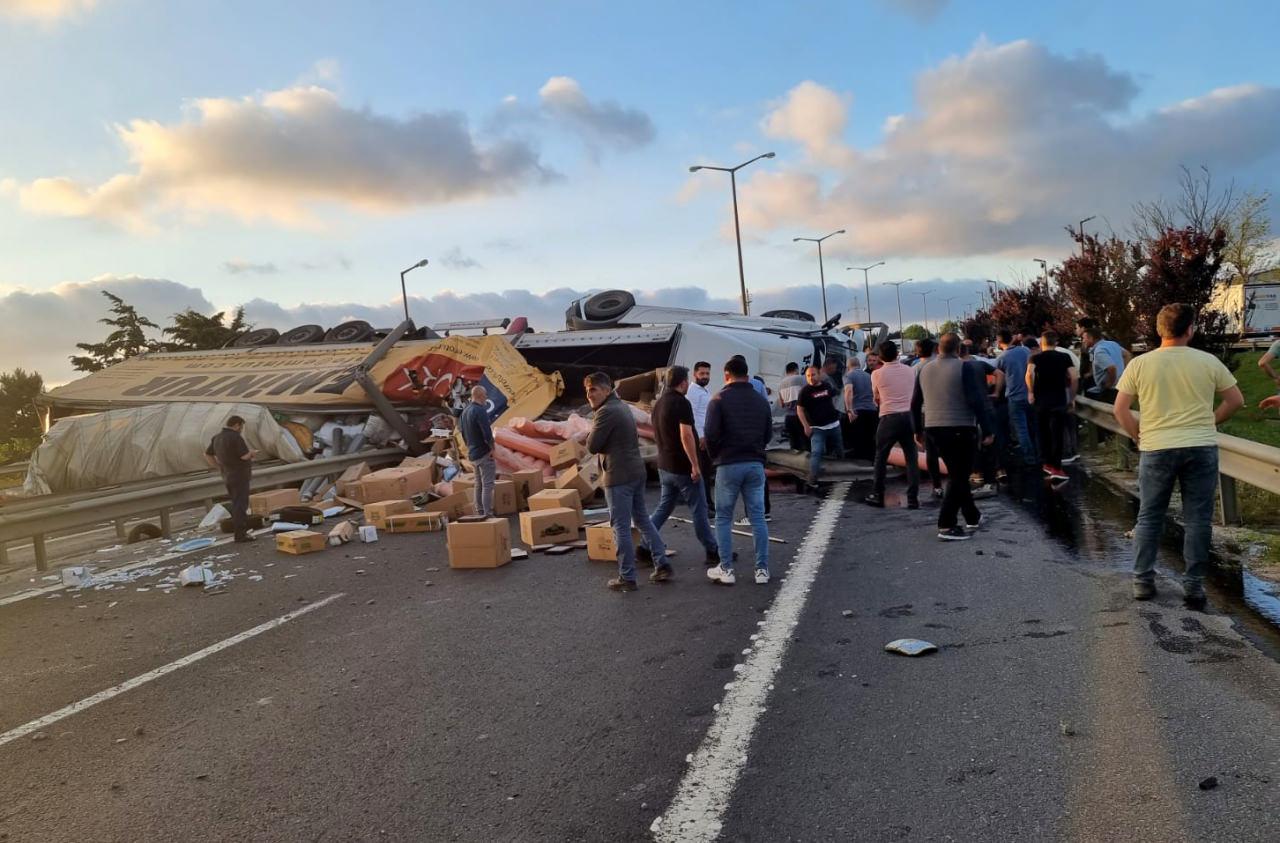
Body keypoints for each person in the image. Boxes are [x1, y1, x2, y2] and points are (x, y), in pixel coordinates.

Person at [1113, 304, 1244, 609]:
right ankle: (1194, 586)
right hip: (1200, 447)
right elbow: (1235, 400)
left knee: (1149, 516)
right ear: (1190, 330)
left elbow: (1120, 409)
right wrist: (1210, 421)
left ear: (1160, 330)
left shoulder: (1140, 365)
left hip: (1157, 447)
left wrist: (1136, 433)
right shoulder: (1207, 361)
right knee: (1198, 519)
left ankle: (1142, 581)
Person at [584, 372, 669, 591]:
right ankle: (662, 562)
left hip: (618, 475)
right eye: (587, 390)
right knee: (642, 519)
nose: (589, 395)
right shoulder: (621, 406)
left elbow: (592, 446)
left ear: (606, 389)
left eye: (593, 389)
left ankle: (627, 576)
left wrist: (595, 435)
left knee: (620, 526)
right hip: (634, 470)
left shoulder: (605, 412)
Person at [912, 333, 993, 540]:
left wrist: (917, 430)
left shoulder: (924, 369)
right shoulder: (966, 367)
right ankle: (946, 525)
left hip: (932, 427)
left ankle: (972, 515)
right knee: (959, 476)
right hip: (960, 426)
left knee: (958, 473)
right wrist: (988, 429)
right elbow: (977, 401)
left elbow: (914, 403)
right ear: (958, 349)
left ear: (939, 349)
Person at [705, 356, 773, 586]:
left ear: (726, 374)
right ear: (747, 374)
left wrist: (716, 456)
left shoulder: (719, 399)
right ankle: (762, 570)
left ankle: (726, 569)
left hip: (728, 463)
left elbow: (711, 434)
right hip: (755, 463)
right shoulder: (760, 400)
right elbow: (768, 434)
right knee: (758, 518)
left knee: (723, 517)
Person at [650, 366, 720, 565]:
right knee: (699, 508)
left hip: (664, 464)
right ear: (682, 383)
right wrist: (695, 465)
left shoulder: (659, 403)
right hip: (682, 467)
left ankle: (645, 545)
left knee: (664, 507)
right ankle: (712, 550)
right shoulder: (681, 403)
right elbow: (686, 435)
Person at [864, 340, 920, 509]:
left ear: (880, 357)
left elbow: (876, 397)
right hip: (908, 416)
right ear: (897, 354)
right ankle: (912, 498)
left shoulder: (877, 374)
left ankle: (877, 492)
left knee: (881, 456)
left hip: (889, 417)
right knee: (912, 457)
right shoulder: (910, 370)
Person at [1026, 331, 1076, 482]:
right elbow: (1073, 377)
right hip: (1059, 400)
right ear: (1056, 342)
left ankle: (1046, 462)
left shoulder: (1035, 357)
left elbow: (1029, 374)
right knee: (1057, 434)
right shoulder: (1064, 357)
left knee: (1042, 432)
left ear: (1042, 343)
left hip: (1041, 400)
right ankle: (1057, 467)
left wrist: (1031, 392)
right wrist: (1072, 397)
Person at [204, 415, 259, 542]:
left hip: (227, 475)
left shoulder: (216, 437)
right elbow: (244, 456)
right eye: (241, 427)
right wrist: (252, 453)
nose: (241, 429)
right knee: (241, 505)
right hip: (240, 475)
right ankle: (240, 534)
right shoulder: (235, 437)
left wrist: (219, 467)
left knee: (235, 503)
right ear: (237, 425)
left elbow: (207, 454)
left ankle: (239, 532)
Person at [960, 343, 998, 497]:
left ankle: (981, 477)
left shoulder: (962, 368)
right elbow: (1000, 373)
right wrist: (996, 392)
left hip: (972, 411)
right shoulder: (980, 364)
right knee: (989, 444)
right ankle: (990, 479)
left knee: (975, 444)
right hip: (987, 407)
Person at [797, 365, 844, 491]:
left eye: (813, 375)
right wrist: (806, 426)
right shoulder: (805, 391)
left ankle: (843, 474)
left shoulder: (827, 386)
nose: (811, 378)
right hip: (817, 428)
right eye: (808, 376)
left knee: (839, 449)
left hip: (834, 425)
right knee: (817, 452)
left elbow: (836, 398)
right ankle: (812, 479)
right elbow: (800, 410)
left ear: (819, 375)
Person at [995, 329, 1037, 466]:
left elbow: (999, 378)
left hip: (1014, 397)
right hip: (1030, 394)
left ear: (999, 342)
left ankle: (1029, 458)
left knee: (1021, 430)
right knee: (1034, 427)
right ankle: (1039, 454)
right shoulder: (1025, 351)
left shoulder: (1001, 358)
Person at [458, 385, 496, 517]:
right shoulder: (480, 410)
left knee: (478, 484)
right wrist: (492, 448)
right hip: (483, 452)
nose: (486, 397)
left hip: (473, 454)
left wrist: (470, 447)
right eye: (485, 395)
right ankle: (488, 514)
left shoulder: (465, 412)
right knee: (487, 485)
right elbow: (487, 432)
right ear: (480, 395)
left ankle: (479, 512)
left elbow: (462, 433)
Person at [689, 361, 715, 511]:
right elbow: (692, 416)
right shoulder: (693, 392)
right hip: (700, 439)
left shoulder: (704, 391)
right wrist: (700, 437)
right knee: (703, 472)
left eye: (707, 373)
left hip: (706, 436)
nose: (705, 376)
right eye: (702, 373)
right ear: (695, 374)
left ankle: (708, 503)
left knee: (706, 472)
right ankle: (706, 505)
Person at [843, 356, 879, 461]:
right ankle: (872, 462)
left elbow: (849, 391)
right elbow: (876, 393)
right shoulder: (869, 375)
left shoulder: (848, 376)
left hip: (858, 410)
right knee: (870, 438)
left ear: (848, 366)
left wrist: (849, 410)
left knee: (859, 438)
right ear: (859, 365)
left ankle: (861, 464)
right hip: (872, 410)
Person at [1081, 327, 1126, 402]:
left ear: (1091, 338)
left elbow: (1111, 368)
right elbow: (1127, 355)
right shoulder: (1112, 344)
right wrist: (1124, 371)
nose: (1083, 341)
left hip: (1111, 391)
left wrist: (1109, 385)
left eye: (1084, 338)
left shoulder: (1099, 350)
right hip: (1121, 386)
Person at [778, 362, 807, 452]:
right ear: (796, 369)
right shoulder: (800, 378)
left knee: (794, 446)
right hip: (801, 417)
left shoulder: (781, 384)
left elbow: (781, 404)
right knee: (806, 446)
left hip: (788, 418)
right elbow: (808, 394)